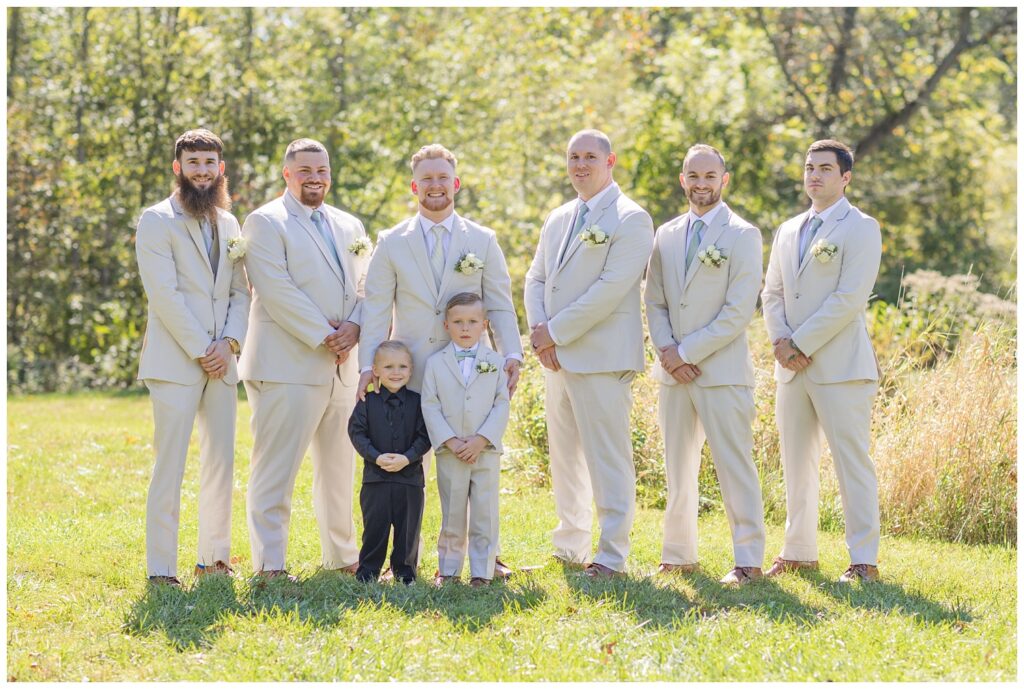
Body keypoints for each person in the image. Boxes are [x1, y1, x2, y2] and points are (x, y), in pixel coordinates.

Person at [357, 143, 522, 578]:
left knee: (476, 467)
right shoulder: (391, 242)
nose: (435, 186)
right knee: (406, 471)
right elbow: (375, 307)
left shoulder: (482, 240)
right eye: (426, 179)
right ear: (415, 185)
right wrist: (367, 368)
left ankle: (488, 556)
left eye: (442, 178)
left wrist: (511, 353)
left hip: (469, 372)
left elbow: (500, 304)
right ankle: (404, 559)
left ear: (456, 184)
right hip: (405, 371)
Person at [524, 129, 654, 578]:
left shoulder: (631, 218)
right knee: (564, 456)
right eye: (573, 156)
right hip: (555, 358)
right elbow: (536, 278)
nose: (580, 165)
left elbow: (610, 290)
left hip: (601, 357)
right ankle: (570, 545)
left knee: (607, 457)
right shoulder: (559, 216)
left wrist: (553, 333)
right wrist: (540, 335)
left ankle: (612, 555)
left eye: (589, 157)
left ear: (610, 161)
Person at [238, 138, 371, 580]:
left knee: (339, 468)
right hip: (287, 365)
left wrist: (354, 327)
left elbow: (367, 284)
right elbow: (276, 290)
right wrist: (326, 335)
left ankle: (343, 556)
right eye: (305, 171)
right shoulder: (265, 222)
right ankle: (270, 565)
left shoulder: (350, 225)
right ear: (287, 174)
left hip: (343, 367)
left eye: (322, 170)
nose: (315, 178)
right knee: (276, 469)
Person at [761, 139, 883, 583]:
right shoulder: (788, 229)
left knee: (852, 462)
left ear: (845, 177)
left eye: (825, 169)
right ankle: (798, 551)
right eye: (809, 167)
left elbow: (849, 298)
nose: (814, 175)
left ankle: (863, 560)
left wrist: (800, 343)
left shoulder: (861, 227)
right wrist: (779, 341)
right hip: (790, 368)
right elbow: (771, 292)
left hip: (840, 366)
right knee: (796, 461)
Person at [644, 144, 767, 585]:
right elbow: (653, 300)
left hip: (722, 372)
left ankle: (749, 560)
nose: (701, 185)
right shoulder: (667, 233)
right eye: (693, 176)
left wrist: (687, 353)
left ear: (724, 180)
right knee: (677, 466)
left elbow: (738, 311)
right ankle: (678, 554)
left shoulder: (743, 234)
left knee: (735, 466)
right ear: (683, 180)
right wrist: (667, 352)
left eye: (709, 177)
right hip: (673, 373)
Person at [135, 128, 251, 586]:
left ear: (220, 170)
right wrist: (204, 350)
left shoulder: (230, 223)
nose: (202, 172)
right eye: (193, 163)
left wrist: (230, 345)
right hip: (176, 361)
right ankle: (162, 569)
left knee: (221, 461)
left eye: (209, 164)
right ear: (177, 168)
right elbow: (163, 294)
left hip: (223, 360)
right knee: (171, 465)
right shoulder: (156, 220)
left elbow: (242, 292)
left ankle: (213, 559)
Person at [420, 293, 511, 588]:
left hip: (484, 452)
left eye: (472, 322)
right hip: (451, 452)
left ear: (484, 325)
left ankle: (482, 571)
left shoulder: (494, 362)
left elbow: (501, 404)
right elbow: (430, 405)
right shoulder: (435, 364)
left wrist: (482, 439)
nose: (465, 328)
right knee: (452, 512)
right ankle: (448, 570)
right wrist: (450, 440)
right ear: (446, 325)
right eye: (458, 322)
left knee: (485, 512)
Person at [347, 341, 431, 585]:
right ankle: (368, 573)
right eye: (389, 366)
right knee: (375, 527)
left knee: (408, 529)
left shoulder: (418, 403)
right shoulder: (366, 402)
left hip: (410, 479)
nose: (396, 372)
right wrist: (375, 456)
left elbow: (425, 435)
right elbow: (356, 432)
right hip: (376, 479)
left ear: (411, 369)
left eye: (403, 366)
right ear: (375, 370)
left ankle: (405, 573)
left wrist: (408, 457)